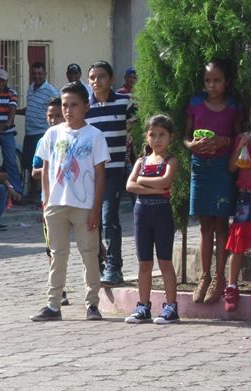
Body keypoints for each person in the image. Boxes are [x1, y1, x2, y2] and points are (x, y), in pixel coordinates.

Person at [30, 81, 109, 322]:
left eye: (74, 105)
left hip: (85, 207)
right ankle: (53, 305)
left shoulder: (95, 136)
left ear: (86, 106)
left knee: (89, 253)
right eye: (65, 105)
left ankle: (92, 305)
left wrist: (96, 209)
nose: (68, 110)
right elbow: (44, 169)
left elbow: (100, 175)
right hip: (56, 204)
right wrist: (46, 202)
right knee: (57, 254)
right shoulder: (52, 134)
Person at [185, 59, 242, 305]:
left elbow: (239, 137)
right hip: (200, 168)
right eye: (208, 80)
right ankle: (204, 277)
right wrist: (191, 145)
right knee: (204, 225)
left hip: (222, 169)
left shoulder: (233, 107)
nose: (212, 85)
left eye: (217, 80)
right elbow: (186, 136)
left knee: (221, 226)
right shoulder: (195, 103)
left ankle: (220, 278)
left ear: (226, 82)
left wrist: (224, 142)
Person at [123, 115, 180, 324]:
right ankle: (143, 306)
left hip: (162, 213)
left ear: (170, 137)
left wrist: (143, 182)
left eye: (162, 135)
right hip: (141, 213)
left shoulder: (171, 161)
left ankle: (171, 307)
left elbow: (166, 181)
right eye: (152, 134)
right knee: (144, 263)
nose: (157, 139)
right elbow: (130, 185)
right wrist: (155, 186)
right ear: (146, 137)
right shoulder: (141, 161)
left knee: (165, 261)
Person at [86, 61, 133, 286]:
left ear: (111, 79)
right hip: (88, 176)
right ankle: (98, 265)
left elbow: (141, 127)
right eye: (93, 77)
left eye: (101, 76)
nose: (97, 81)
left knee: (109, 219)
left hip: (113, 172)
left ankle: (115, 267)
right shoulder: (85, 108)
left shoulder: (124, 103)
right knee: (89, 221)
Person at [32, 97, 69, 306]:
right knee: (53, 248)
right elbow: (35, 171)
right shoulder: (44, 140)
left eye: (57, 115)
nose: (53, 120)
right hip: (50, 201)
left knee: (88, 245)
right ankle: (59, 290)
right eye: (50, 116)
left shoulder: (76, 135)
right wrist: (52, 167)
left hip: (76, 200)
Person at [18, 62, 59, 196]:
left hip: (42, 132)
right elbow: (30, 109)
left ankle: (41, 194)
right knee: (29, 164)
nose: (37, 76)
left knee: (41, 165)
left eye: (40, 74)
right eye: (34, 74)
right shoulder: (31, 88)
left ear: (45, 74)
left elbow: (57, 111)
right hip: (29, 132)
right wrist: (14, 111)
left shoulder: (51, 91)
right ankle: (31, 193)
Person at [223, 131, 251, 312]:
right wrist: (242, 144)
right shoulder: (243, 137)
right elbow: (232, 167)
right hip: (246, 195)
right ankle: (232, 287)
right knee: (238, 242)